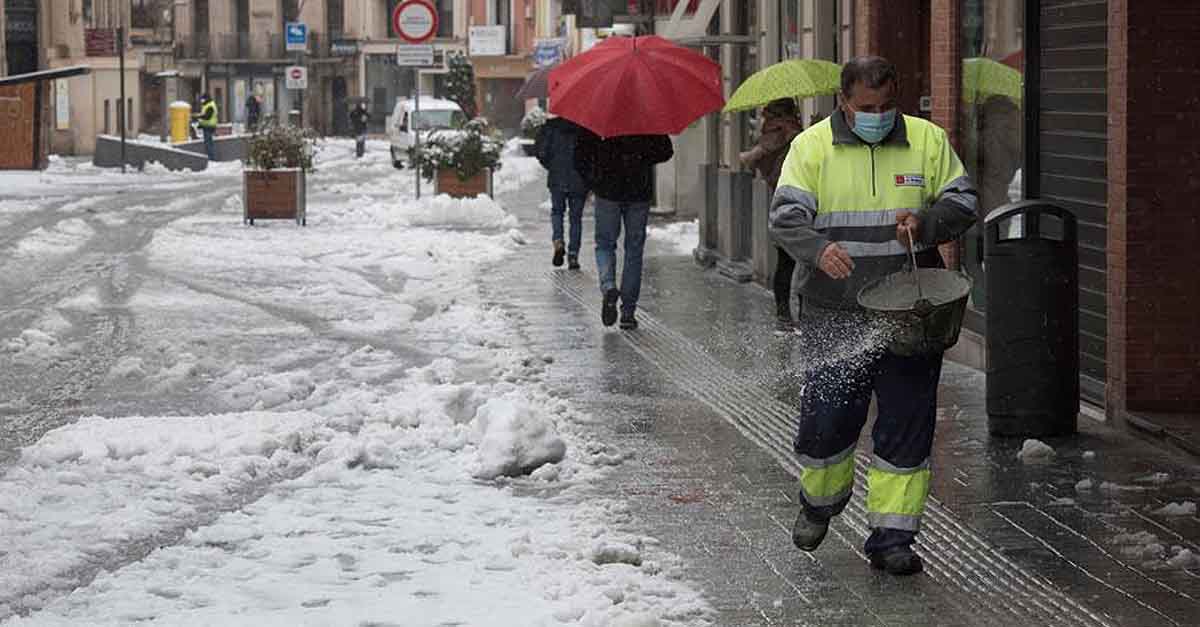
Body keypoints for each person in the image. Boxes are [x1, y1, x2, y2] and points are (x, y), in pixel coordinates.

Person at [770, 56, 977, 576]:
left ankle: (892, 538)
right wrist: (817, 249)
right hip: (833, 309)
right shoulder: (811, 146)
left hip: (911, 312)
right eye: (866, 108)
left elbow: (964, 200)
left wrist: (927, 222)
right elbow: (785, 217)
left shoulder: (928, 141)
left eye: (886, 106)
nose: (877, 116)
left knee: (907, 425)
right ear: (844, 102)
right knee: (827, 422)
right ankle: (820, 500)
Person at [575, 129, 673, 330]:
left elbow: (580, 155)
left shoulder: (600, 120)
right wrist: (641, 157)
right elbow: (665, 151)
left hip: (607, 191)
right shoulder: (646, 120)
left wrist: (594, 179)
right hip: (639, 190)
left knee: (604, 245)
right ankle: (628, 312)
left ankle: (608, 285)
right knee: (634, 251)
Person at [739, 98, 805, 331]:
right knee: (801, 263)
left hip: (781, 203)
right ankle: (792, 315)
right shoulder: (781, 133)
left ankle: (784, 315)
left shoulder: (772, 133)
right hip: (795, 201)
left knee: (787, 263)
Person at [535, 115, 590, 270]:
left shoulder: (550, 127)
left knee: (557, 212)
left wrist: (552, 166)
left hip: (557, 177)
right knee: (576, 218)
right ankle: (573, 255)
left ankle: (558, 241)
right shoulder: (584, 128)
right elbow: (590, 155)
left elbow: (541, 152)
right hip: (579, 180)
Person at [194, 94, 218, 160]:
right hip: (207, 126)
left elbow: (207, 117)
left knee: (208, 143)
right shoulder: (207, 105)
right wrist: (200, 124)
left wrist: (198, 116)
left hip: (209, 126)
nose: (202, 100)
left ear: (206, 98)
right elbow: (205, 116)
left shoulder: (210, 105)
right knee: (208, 143)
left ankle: (211, 158)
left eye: (203, 99)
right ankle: (210, 157)